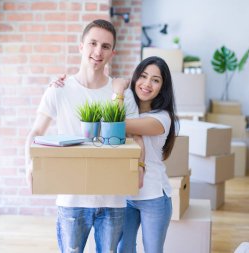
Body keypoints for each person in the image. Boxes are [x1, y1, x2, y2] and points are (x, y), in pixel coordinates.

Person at [24, 19, 143, 253]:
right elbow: (36, 132)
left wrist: (140, 167)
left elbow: (135, 137)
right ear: (81, 46)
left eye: (106, 46)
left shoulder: (122, 93)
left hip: (113, 201)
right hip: (71, 201)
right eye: (93, 43)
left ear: (113, 52)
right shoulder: (59, 89)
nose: (98, 51)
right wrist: (29, 166)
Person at [114, 56, 179, 253]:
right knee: (123, 249)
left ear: (162, 87)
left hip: (154, 197)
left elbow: (116, 125)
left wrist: (118, 90)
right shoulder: (127, 107)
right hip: (126, 194)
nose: (147, 84)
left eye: (155, 80)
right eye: (143, 76)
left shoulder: (162, 118)